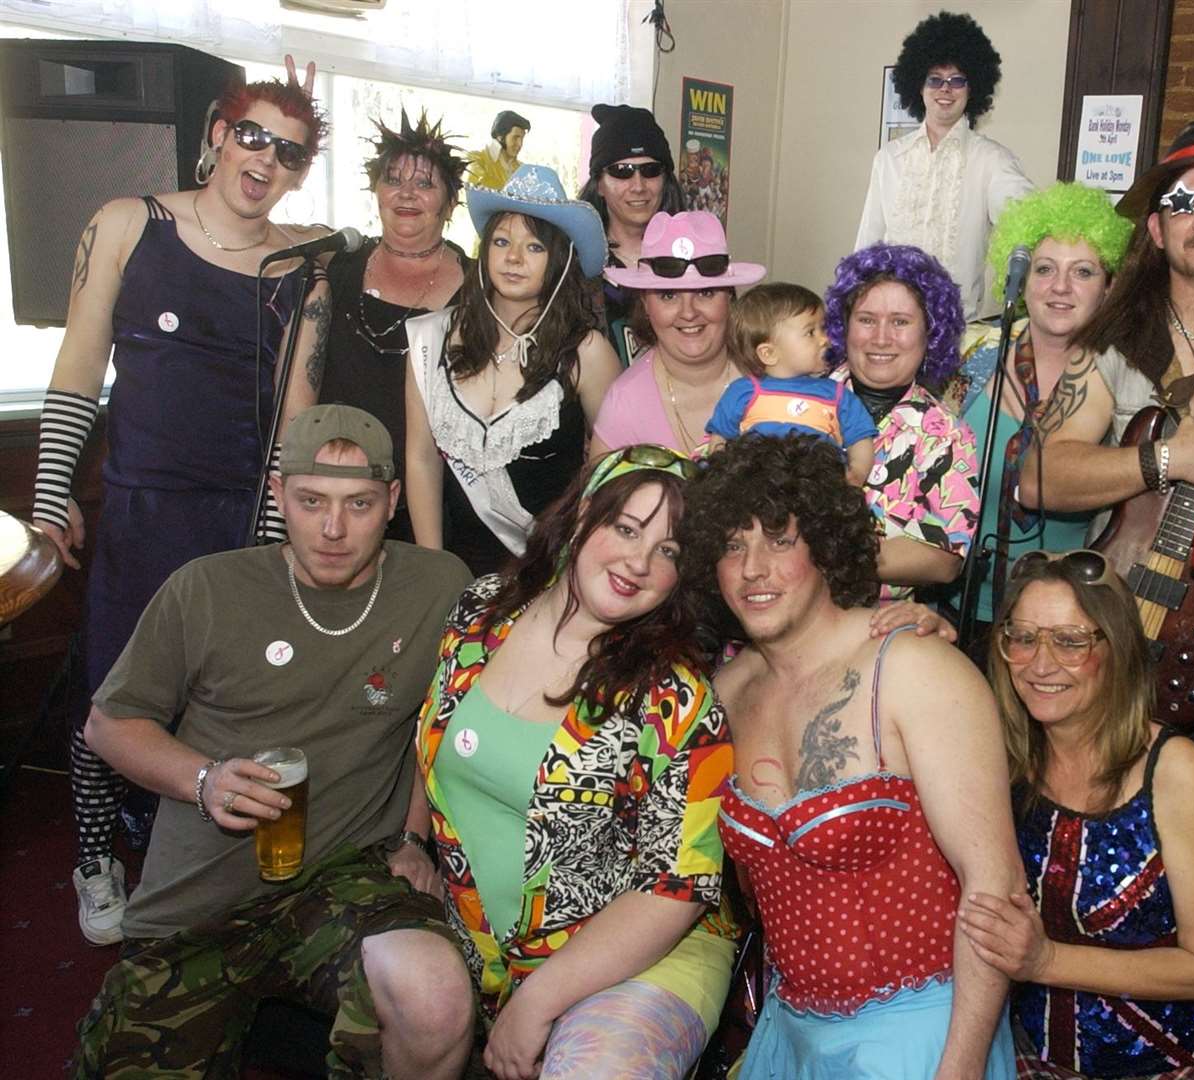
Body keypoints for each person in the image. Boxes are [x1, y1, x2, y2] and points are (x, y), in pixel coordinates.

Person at [74, 404, 475, 1079]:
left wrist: (412, 839)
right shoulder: (206, 588)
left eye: (360, 504)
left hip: (346, 878)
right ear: (278, 494)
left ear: (394, 502)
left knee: (436, 992)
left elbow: (436, 723)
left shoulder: (437, 586)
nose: (334, 529)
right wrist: (204, 779)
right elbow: (109, 725)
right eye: (312, 500)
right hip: (199, 902)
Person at [32, 74, 335, 945]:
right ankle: (94, 858)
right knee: (111, 689)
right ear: (216, 132)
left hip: (239, 519)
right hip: (140, 508)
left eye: (286, 151)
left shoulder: (301, 270)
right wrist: (52, 493)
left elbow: (296, 415)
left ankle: (191, 841)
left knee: (230, 692)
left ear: (299, 172)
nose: (262, 158)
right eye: (250, 135)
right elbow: (79, 368)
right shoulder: (128, 222)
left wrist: (280, 534)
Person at [679, 434, 1020, 1079]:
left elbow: (994, 887)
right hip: (786, 1034)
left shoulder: (913, 669)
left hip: (924, 1033)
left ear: (826, 548)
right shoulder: (723, 696)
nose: (754, 568)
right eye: (731, 545)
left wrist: (961, 1066)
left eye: (779, 540)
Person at [415, 444, 735, 1079]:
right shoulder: (481, 612)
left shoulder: (678, 702)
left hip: (640, 957)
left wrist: (537, 1002)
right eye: (626, 528)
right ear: (585, 513)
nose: (639, 562)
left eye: (668, 551)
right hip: (486, 948)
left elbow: (678, 887)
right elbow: (431, 739)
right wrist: (407, 839)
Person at [959, 549, 1194, 1079]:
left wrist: (1046, 962)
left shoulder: (1174, 771)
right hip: (1021, 1055)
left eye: (1070, 641)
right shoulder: (1002, 757)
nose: (1041, 664)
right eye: (1023, 637)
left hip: (1160, 1067)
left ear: (1117, 649)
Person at [403, 164, 621, 576]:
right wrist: (432, 574)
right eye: (502, 241)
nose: (514, 258)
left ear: (561, 258)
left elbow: (610, 474)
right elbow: (421, 458)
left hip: (549, 573)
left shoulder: (587, 352)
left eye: (535, 247)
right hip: (456, 569)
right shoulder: (431, 340)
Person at [946, 183, 1133, 636]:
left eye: (1084, 272)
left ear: (1109, 287)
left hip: (1071, 624)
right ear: (1019, 280)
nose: (1061, 287)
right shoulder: (972, 354)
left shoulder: (1127, 380)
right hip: (954, 607)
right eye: (1044, 268)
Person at [317, 109, 469, 541]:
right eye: (393, 179)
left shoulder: (480, 287)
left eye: (424, 184)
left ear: (450, 202)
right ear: (375, 190)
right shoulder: (337, 268)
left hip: (440, 507)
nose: (406, 194)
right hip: (337, 498)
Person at [824, 243, 981, 601]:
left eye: (900, 322)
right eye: (866, 320)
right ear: (843, 328)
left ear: (931, 334)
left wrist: (817, 554)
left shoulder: (947, 436)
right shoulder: (796, 399)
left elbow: (944, 558)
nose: (881, 338)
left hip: (877, 629)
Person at [856, 10, 1033, 320]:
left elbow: (1029, 221)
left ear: (974, 87)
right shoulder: (889, 158)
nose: (945, 89)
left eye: (957, 80)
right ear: (918, 86)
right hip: (890, 321)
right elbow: (867, 246)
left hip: (955, 328)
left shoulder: (992, 160)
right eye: (934, 79)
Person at [591, 210, 767, 454]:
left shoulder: (773, 379)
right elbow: (601, 492)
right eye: (668, 295)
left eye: (706, 293)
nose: (688, 312)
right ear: (645, 304)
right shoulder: (624, 403)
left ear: (729, 298)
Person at [707, 282, 877, 485]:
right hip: (757, 490)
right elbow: (720, 440)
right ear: (769, 353)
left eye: (823, 329)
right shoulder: (744, 391)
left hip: (817, 493)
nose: (825, 339)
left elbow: (861, 439)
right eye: (810, 332)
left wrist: (856, 474)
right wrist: (717, 478)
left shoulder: (838, 394)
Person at [578, 103, 686, 364]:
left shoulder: (697, 256)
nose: (638, 186)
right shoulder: (574, 263)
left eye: (650, 171)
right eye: (621, 172)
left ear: (666, 179)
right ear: (599, 185)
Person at [466, 109, 531, 192]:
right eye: (515, 137)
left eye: (522, 138)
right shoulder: (476, 159)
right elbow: (479, 187)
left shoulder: (522, 169)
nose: (520, 144)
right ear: (500, 136)